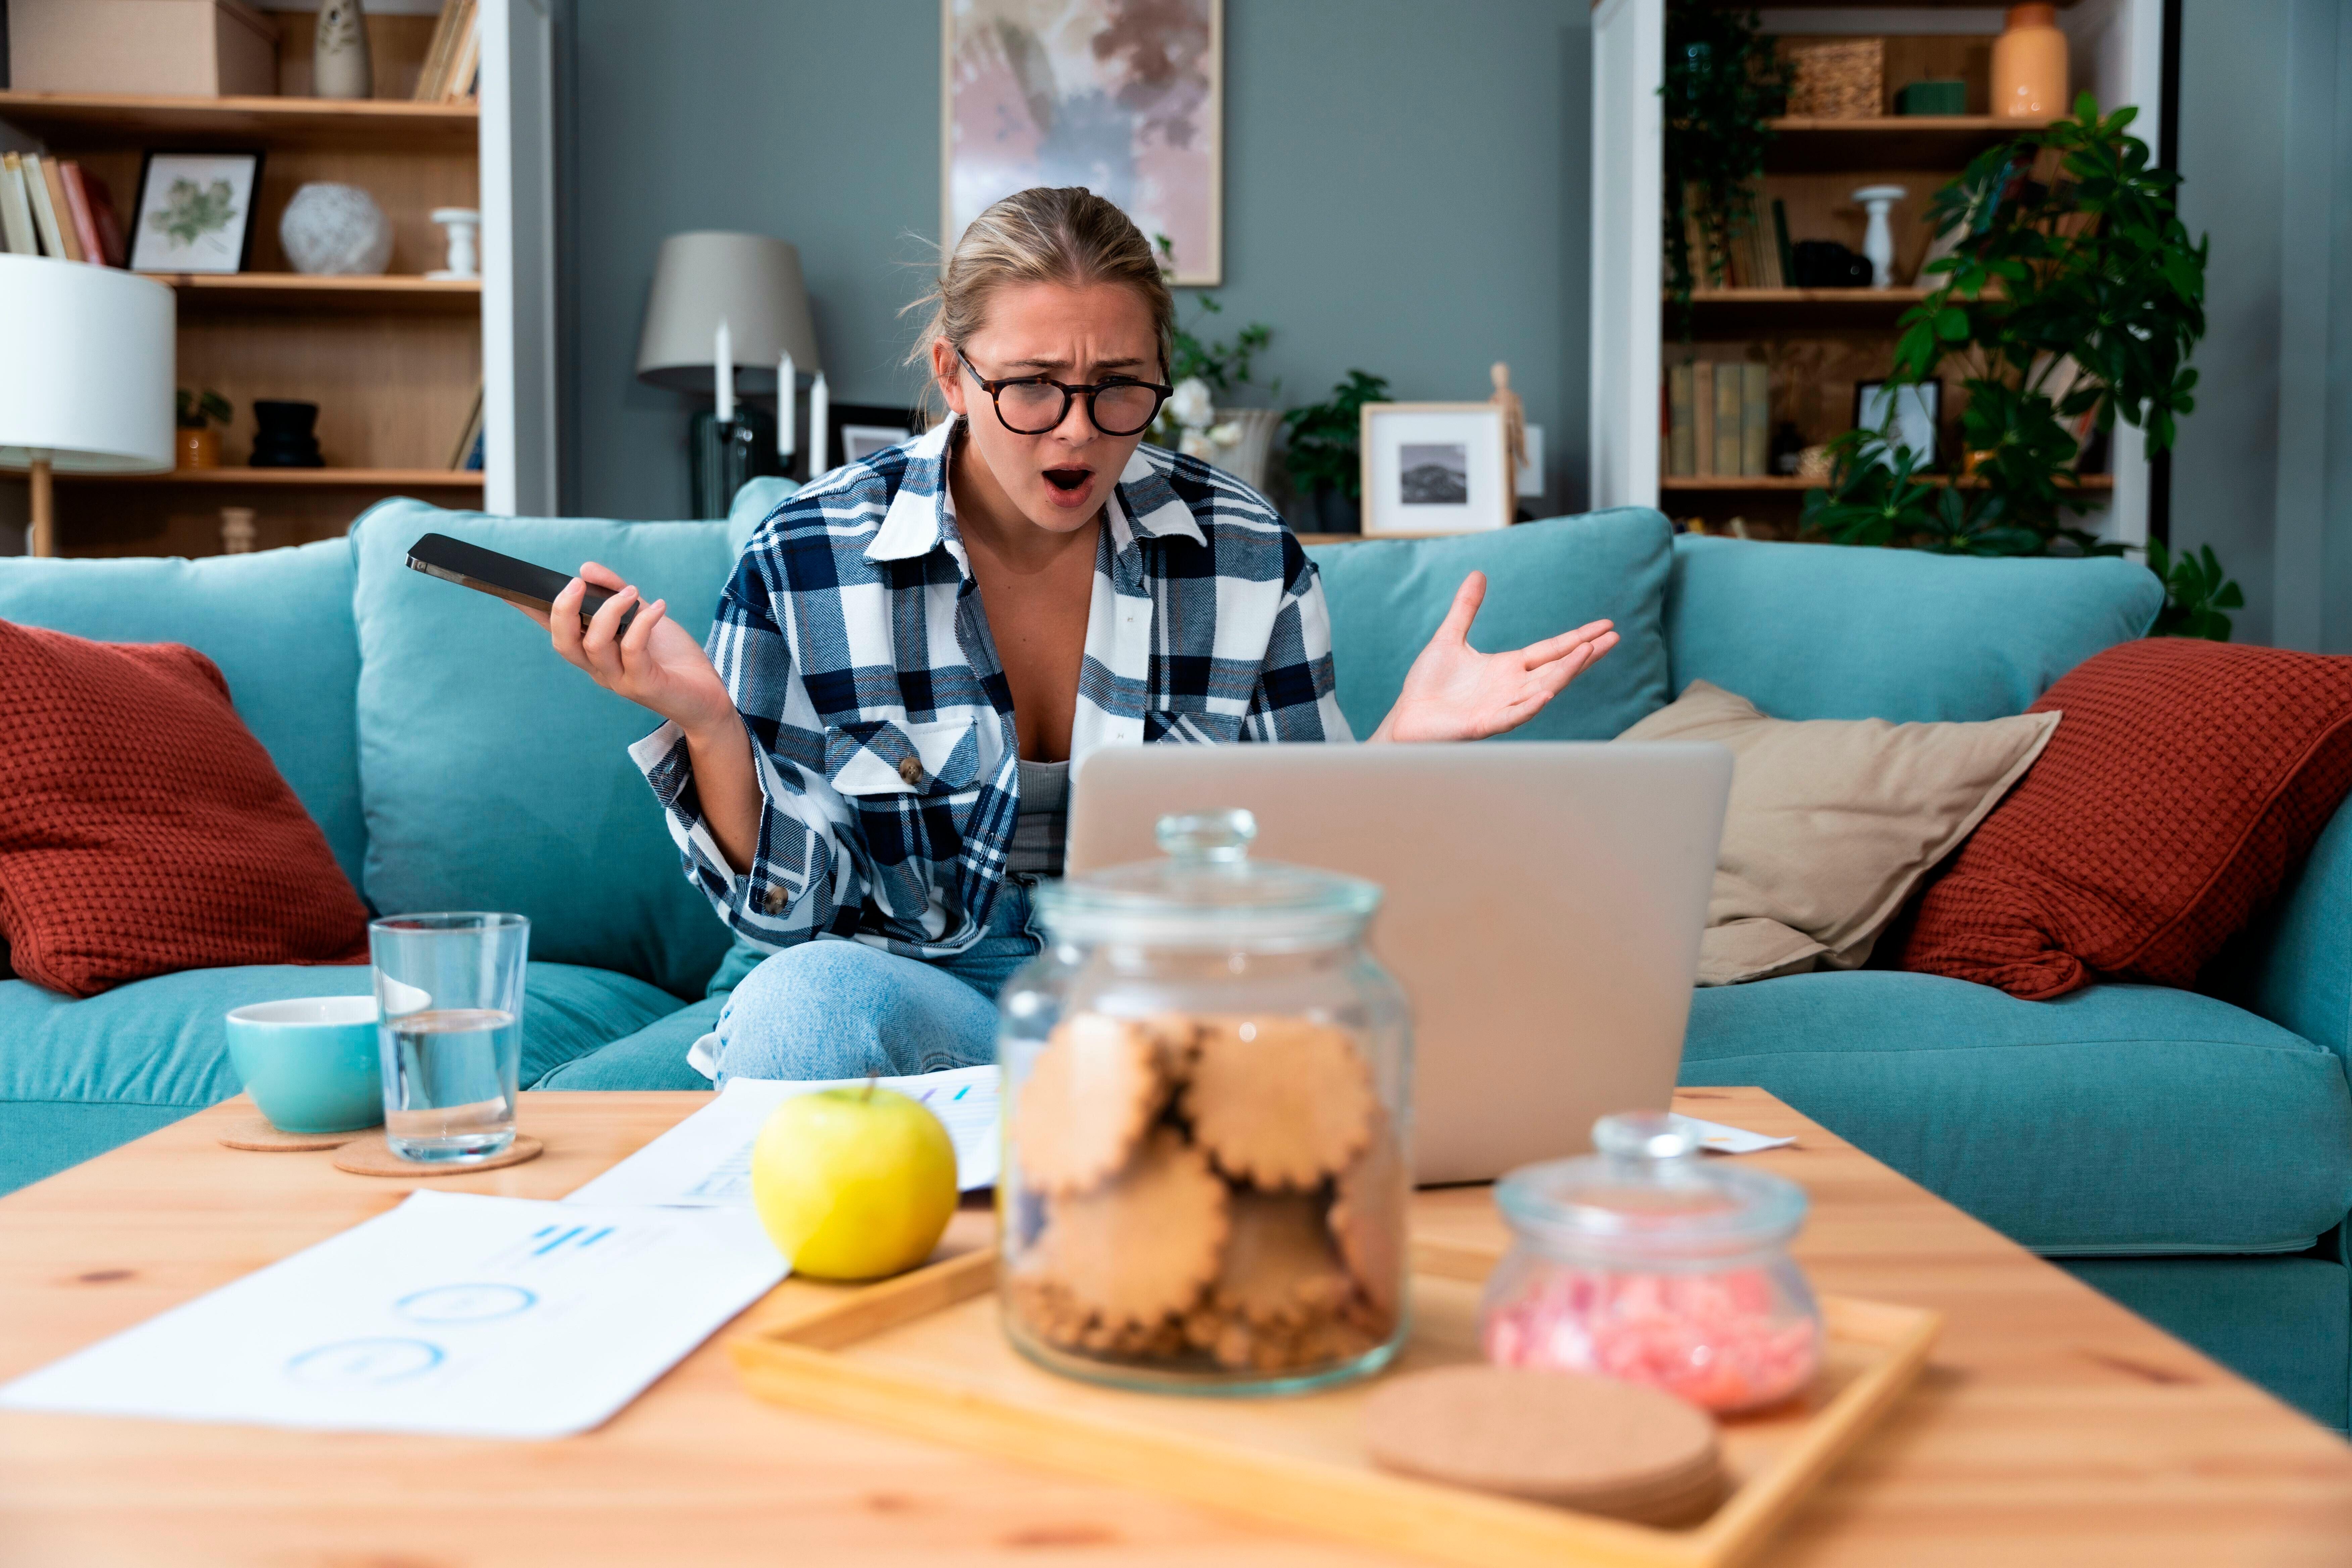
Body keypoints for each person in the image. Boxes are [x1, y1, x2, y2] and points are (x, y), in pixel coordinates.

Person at [522, 187, 1618, 1083]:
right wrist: (712, 727)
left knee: (1395, 1026)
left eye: (1118, 390)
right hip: (920, 992)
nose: (1081, 434)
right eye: (1034, 389)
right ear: (953, 373)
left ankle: (1067, 1129)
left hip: (1170, 1004)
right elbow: (795, 920)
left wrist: (1399, 756)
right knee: (799, 1012)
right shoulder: (804, 556)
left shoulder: (1247, 552)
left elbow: (1297, 889)